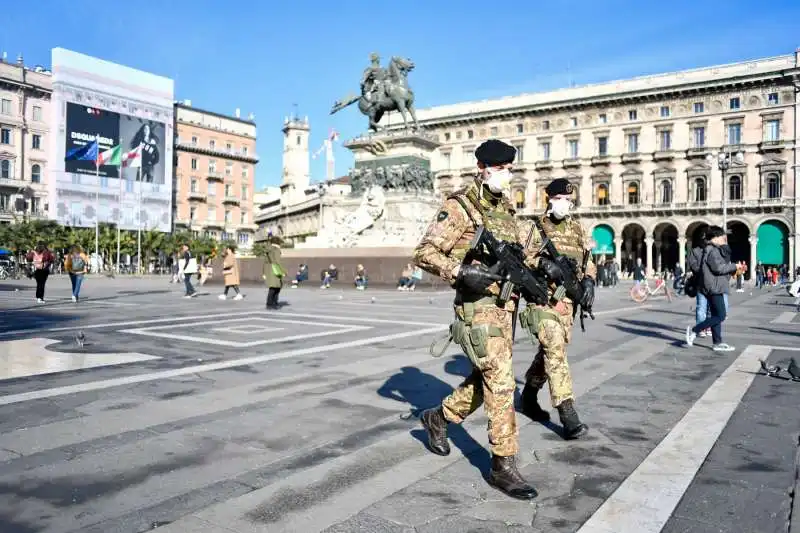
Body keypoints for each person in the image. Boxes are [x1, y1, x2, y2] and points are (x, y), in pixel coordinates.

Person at [412, 139, 537, 500]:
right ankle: (504, 465)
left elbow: (521, 254)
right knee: (500, 382)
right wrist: (462, 271)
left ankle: (438, 417)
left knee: (486, 380)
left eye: (510, 169)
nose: (507, 175)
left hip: (504, 309)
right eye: (501, 169)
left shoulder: (506, 209)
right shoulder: (460, 205)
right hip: (475, 308)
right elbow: (425, 252)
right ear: (483, 168)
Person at [518, 177, 595, 440]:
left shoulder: (578, 228)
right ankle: (568, 414)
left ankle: (528, 395)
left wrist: (589, 281)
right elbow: (521, 256)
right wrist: (541, 264)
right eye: (560, 199)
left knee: (550, 353)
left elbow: (588, 259)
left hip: (568, 303)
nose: (565, 204)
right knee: (555, 350)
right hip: (542, 300)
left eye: (569, 200)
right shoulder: (534, 227)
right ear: (549, 199)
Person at [685, 225, 737, 352]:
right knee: (721, 316)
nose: (723, 239)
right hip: (714, 286)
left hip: (711, 285)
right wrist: (734, 266)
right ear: (715, 238)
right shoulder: (713, 251)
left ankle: (717, 342)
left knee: (715, 315)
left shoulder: (709, 249)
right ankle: (695, 330)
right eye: (721, 237)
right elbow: (718, 268)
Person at [263, 237, 285, 309]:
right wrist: (284, 271)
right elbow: (278, 261)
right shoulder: (276, 250)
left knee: (273, 287)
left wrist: (264, 272)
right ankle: (273, 303)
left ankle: (270, 304)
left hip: (269, 270)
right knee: (276, 288)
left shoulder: (268, 249)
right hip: (276, 270)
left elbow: (265, 262)